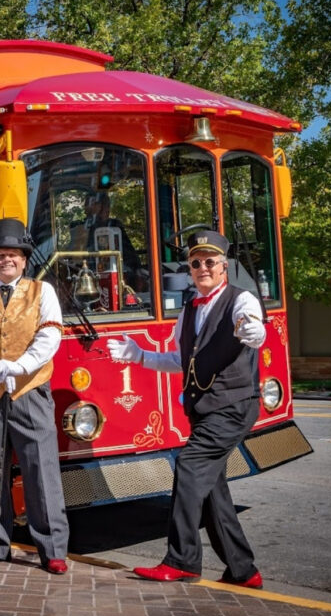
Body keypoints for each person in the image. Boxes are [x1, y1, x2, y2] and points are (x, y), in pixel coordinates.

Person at [107, 230, 266, 587]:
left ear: (223, 266)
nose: (202, 268)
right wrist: (140, 356)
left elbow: (254, 329)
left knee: (191, 466)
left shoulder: (242, 301)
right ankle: (244, 569)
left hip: (234, 406)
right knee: (212, 488)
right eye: (196, 263)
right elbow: (179, 360)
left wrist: (252, 331)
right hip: (205, 409)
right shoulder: (190, 310)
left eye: (210, 262)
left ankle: (182, 561)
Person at [0, 218, 70, 574]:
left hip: (30, 388)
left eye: (14, 255)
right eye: (0, 255)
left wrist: (19, 367)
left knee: (41, 467)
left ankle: (52, 549)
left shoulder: (42, 291)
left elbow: (50, 334)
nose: (7, 260)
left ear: (24, 260)